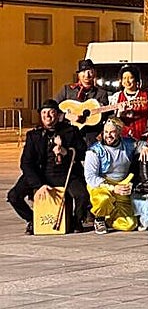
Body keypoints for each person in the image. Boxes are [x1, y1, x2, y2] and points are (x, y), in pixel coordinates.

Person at [8, 100, 88, 234]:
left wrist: (66, 152)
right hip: (41, 174)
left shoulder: (71, 131)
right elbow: (26, 163)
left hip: (66, 173)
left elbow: (84, 152)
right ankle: (33, 220)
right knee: (13, 196)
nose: (47, 116)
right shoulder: (33, 135)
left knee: (82, 195)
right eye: (44, 113)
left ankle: (76, 220)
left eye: (51, 112)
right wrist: (38, 185)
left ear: (58, 114)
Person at [83, 118, 140, 233]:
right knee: (103, 199)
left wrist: (146, 148)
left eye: (112, 132)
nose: (108, 135)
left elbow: (142, 144)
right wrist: (113, 188)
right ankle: (99, 218)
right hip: (101, 185)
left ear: (119, 132)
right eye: (106, 132)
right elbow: (90, 177)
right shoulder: (94, 151)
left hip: (121, 185)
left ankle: (110, 217)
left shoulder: (128, 144)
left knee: (129, 225)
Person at [55, 59, 110, 141]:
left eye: (90, 71)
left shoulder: (101, 93)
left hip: (91, 136)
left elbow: (105, 117)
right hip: (68, 135)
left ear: (94, 73)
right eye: (83, 72)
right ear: (78, 75)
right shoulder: (67, 90)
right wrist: (65, 116)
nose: (87, 75)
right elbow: (53, 108)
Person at [108, 66, 148, 140]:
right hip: (121, 139)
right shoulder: (116, 97)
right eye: (124, 78)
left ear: (136, 79)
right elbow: (111, 120)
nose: (127, 81)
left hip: (143, 138)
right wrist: (119, 115)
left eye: (130, 78)